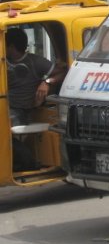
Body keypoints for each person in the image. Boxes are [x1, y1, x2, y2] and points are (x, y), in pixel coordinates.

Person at [5, 28, 65, 170]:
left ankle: (28, 161)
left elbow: (62, 72)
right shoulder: (4, 61)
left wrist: (47, 82)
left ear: (11, 46)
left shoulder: (35, 62)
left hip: (19, 111)